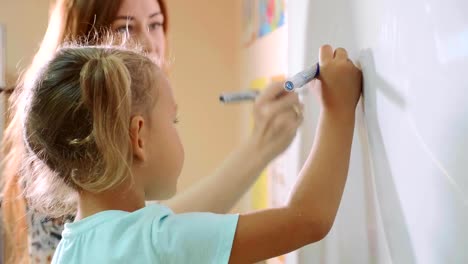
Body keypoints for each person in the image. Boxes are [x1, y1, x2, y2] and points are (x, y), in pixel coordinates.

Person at [1, 0, 305, 262]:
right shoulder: (61, 142)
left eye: (156, 24)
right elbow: (155, 240)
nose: (148, 43)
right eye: (125, 28)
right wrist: (260, 148)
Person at [20, 43, 362, 264]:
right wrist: (339, 109)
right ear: (139, 137)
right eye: (174, 119)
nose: (177, 126)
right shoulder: (160, 241)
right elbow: (309, 219)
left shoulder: (69, 253)